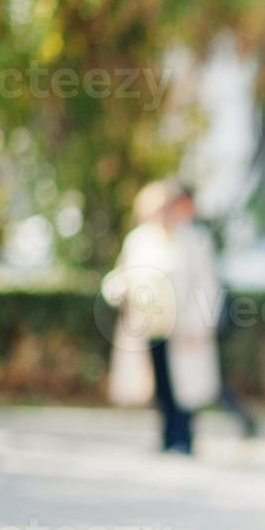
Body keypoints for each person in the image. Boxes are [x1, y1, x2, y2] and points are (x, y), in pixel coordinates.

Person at [102, 179, 221, 455]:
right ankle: (166, 435)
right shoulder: (139, 240)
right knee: (160, 382)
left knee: (186, 384)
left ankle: (184, 438)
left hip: (182, 326)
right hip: (150, 325)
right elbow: (124, 274)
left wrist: (199, 323)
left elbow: (207, 285)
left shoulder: (195, 239)